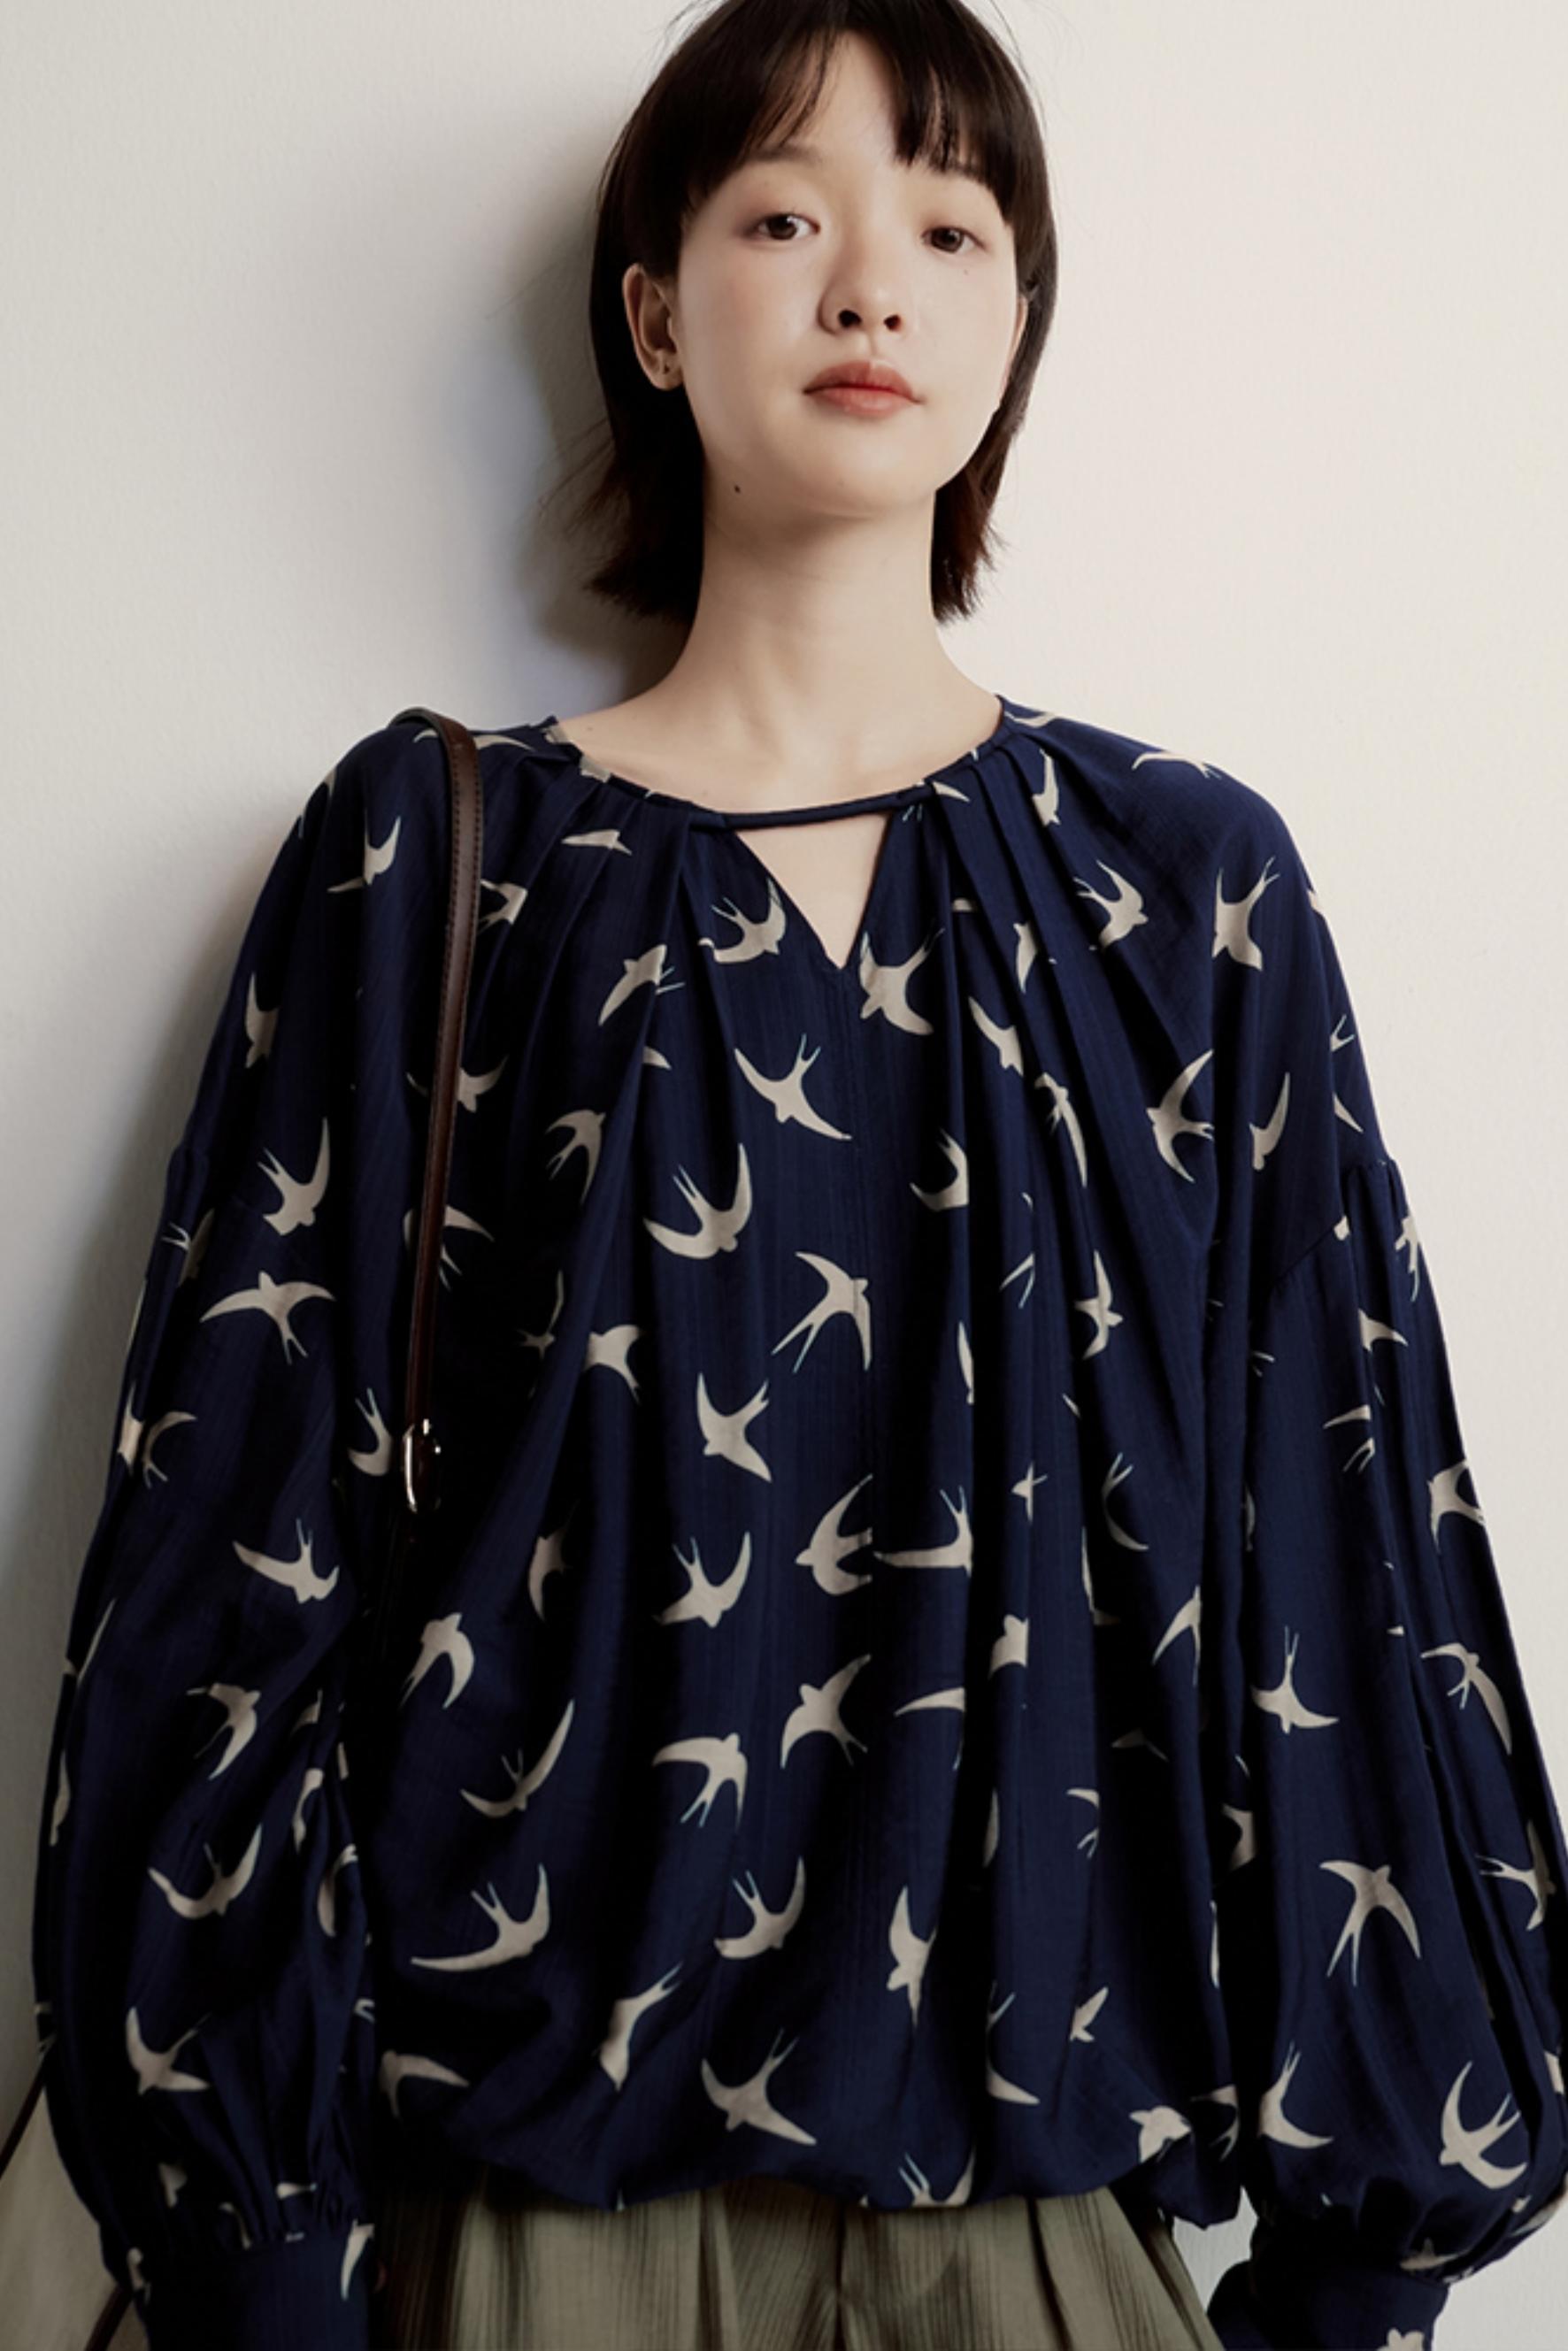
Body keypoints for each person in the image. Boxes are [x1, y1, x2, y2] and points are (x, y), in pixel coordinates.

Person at [29, 4, 1568, 2347]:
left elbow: (1343, 1554)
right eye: (781, 215)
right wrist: (251, 2251)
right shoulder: (437, 862)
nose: (869, 284)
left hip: (1048, 2228)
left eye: (949, 228)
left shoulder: (1181, 896)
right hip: (515, 2223)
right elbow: (231, 1549)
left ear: (1016, 324)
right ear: (654, 316)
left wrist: (1367, 2262)